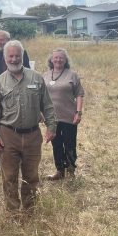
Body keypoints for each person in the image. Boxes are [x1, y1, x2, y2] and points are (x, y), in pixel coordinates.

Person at [0, 40, 56, 213]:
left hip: (33, 135)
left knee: (31, 175)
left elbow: (47, 105)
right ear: (5, 58)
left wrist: (51, 126)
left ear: (22, 56)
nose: (14, 59)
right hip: (8, 135)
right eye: (10, 56)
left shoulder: (36, 78)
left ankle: (29, 209)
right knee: (9, 176)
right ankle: (12, 211)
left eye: (17, 55)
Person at [0, 30, 30, 167]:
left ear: (9, 40)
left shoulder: (20, 53)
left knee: (16, 124)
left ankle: (20, 154)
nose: (0, 42)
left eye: (2, 40)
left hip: (16, 97)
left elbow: (27, 73)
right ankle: (0, 155)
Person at [43, 48, 85, 180]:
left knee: (69, 144)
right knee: (56, 144)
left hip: (69, 117)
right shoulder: (45, 75)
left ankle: (71, 171)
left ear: (66, 60)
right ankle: (60, 171)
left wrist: (78, 112)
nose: (58, 60)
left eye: (61, 58)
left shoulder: (72, 75)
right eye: (55, 57)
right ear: (51, 59)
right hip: (51, 118)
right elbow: (40, 96)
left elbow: (79, 94)